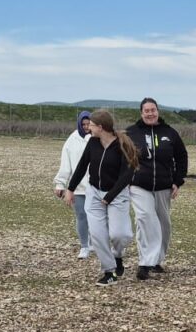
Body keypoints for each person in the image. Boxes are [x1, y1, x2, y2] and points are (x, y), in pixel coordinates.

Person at [63, 109, 139, 286]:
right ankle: (109, 271)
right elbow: (82, 166)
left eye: (91, 125)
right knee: (97, 234)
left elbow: (127, 175)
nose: (87, 128)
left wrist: (109, 197)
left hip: (117, 194)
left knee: (120, 234)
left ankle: (118, 255)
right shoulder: (92, 143)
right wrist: (70, 188)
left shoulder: (123, 145)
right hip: (94, 193)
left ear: (101, 127)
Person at [124, 98, 188, 281]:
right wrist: (124, 180)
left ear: (158, 112)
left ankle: (156, 259)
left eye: (153, 110)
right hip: (139, 184)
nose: (150, 113)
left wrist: (177, 181)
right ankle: (144, 262)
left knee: (163, 223)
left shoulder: (170, 133)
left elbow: (182, 157)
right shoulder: (131, 133)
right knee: (144, 218)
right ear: (141, 113)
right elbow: (122, 156)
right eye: (146, 110)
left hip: (163, 185)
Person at [53, 110, 93, 259]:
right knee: (81, 215)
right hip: (78, 187)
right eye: (84, 124)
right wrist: (60, 184)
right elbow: (66, 165)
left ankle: (95, 241)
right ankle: (84, 246)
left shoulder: (97, 138)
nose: (86, 127)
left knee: (96, 217)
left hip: (95, 186)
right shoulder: (71, 141)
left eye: (89, 124)